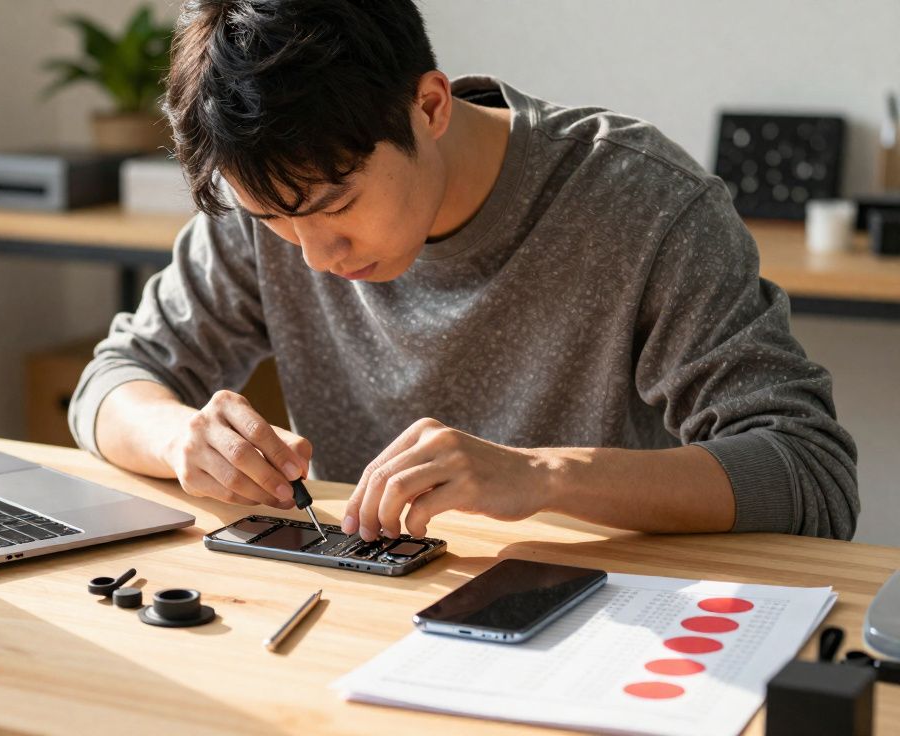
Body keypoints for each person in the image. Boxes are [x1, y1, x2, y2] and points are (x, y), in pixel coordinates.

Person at [68, 0, 858, 541]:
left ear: (431, 105)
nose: (314, 256)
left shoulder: (644, 204)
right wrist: (181, 439)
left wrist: (544, 477)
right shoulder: (276, 201)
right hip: (358, 615)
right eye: (274, 221)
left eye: (337, 204)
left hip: (594, 630)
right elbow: (113, 380)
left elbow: (809, 476)